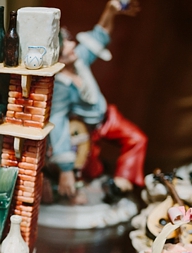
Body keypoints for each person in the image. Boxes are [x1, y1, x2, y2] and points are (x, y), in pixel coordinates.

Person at [48, 0, 146, 203]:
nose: (73, 44)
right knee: (89, 168)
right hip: (87, 130)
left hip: (107, 117)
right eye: (66, 46)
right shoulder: (61, 86)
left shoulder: (79, 59)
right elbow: (57, 120)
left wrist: (110, 11)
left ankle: (121, 182)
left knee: (137, 138)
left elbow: (99, 36)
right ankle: (81, 190)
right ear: (57, 58)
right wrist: (65, 169)